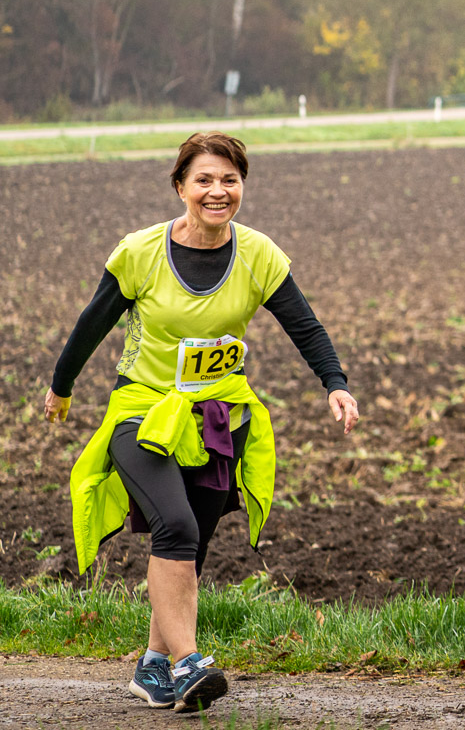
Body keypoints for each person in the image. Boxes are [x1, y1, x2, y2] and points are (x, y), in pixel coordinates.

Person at [44, 132, 360, 714]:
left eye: (230, 180)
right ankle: (190, 664)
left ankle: (154, 666)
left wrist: (335, 383)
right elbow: (92, 323)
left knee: (191, 544)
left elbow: (304, 326)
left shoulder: (259, 254)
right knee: (175, 524)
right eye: (204, 180)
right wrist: (61, 387)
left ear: (242, 186)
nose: (218, 191)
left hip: (218, 415)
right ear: (180, 187)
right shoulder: (140, 252)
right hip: (142, 411)